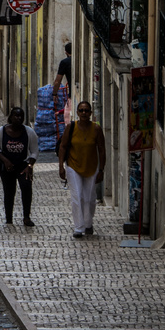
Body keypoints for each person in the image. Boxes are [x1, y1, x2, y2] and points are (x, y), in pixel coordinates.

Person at [58, 101, 107, 238]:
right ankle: (79, 227)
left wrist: (101, 170)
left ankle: (88, 223)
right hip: (73, 166)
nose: (84, 113)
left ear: (90, 113)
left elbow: (102, 150)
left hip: (91, 167)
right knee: (77, 196)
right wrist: (61, 166)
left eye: (86, 111)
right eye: (81, 110)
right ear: (78, 113)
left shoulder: (96, 129)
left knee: (90, 198)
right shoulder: (71, 127)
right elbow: (63, 146)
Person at [0, 107, 39, 226]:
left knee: (26, 187)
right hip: (7, 166)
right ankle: (9, 218)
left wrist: (30, 165)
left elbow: (34, 151)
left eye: (21, 116)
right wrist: (5, 161)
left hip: (23, 165)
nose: (18, 118)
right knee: (9, 191)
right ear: (10, 117)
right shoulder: (1, 131)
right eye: (16, 116)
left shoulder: (29, 132)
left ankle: (26, 217)